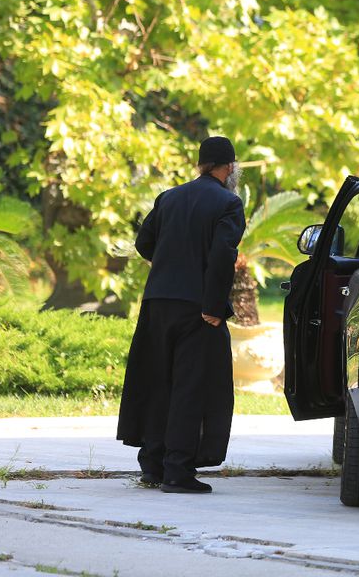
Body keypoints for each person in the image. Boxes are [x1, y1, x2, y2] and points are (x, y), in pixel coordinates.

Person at [116, 136, 245, 494]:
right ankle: (177, 471)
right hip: (197, 309)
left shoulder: (169, 197)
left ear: (201, 164)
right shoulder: (229, 203)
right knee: (190, 385)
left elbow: (144, 243)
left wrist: (170, 264)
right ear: (229, 167)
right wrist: (214, 308)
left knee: (159, 381)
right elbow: (223, 255)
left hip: (157, 302)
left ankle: (152, 464)